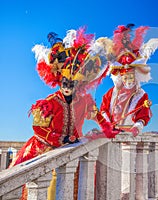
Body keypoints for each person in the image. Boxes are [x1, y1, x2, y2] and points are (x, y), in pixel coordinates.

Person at [8, 27, 116, 200]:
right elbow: (38, 128)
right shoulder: (48, 103)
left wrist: (109, 131)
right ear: (59, 81)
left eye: (71, 84)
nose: (67, 87)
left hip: (71, 152)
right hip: (44, 152)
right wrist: (59, 139)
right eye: (65, 83)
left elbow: (97, 116)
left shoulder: (84, 101)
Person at [99, 24, 158, 137]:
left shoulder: (141, 95)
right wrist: (107, 124)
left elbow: (143, 116)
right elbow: (103, 109)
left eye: (131, 76)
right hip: (112, 135)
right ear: (120, 77)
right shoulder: (111, 93)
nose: (128, 80)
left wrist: (136, 128)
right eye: (125, 77)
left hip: (129, 137)